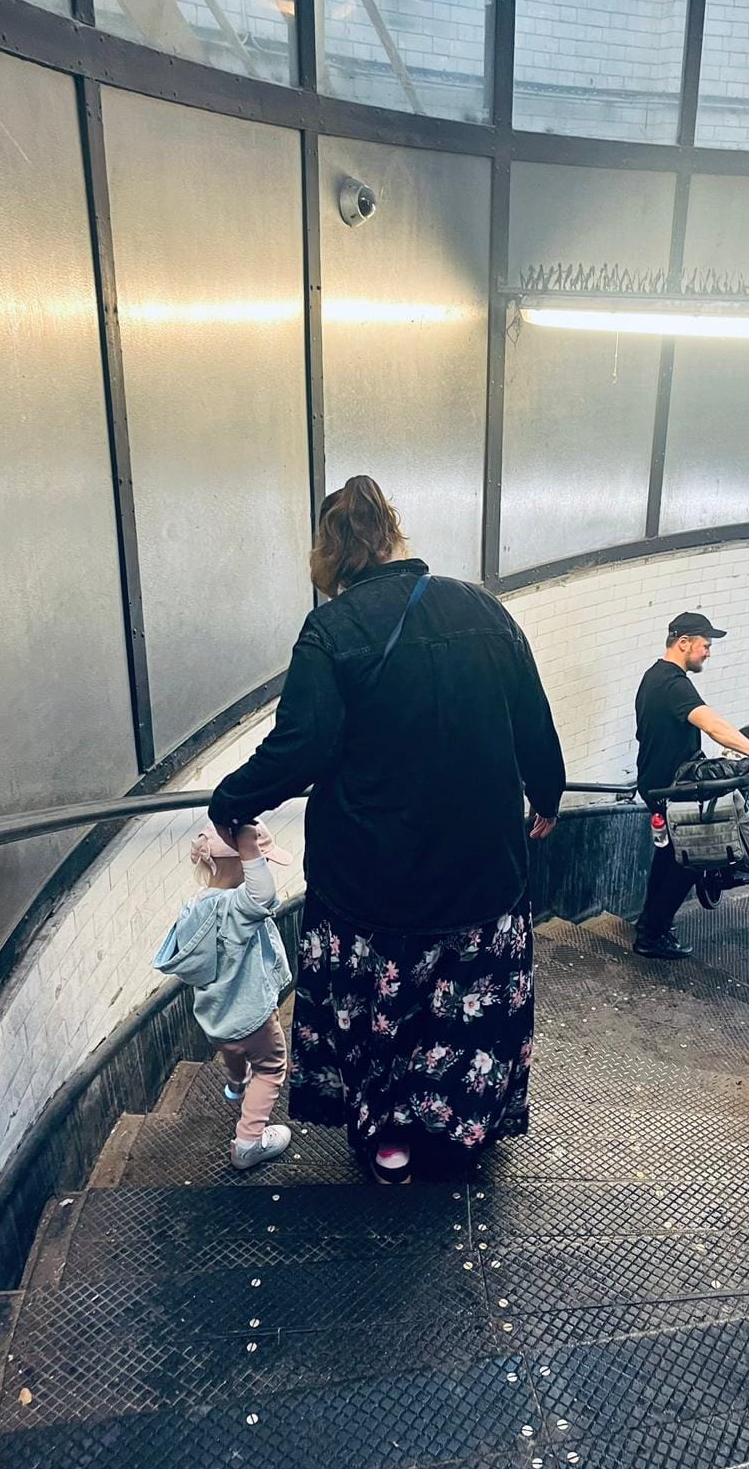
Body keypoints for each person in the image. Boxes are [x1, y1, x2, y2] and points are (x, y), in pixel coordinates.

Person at [208, 475, 565, 1184]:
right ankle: (464, 1131)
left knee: (385, 1009)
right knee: (463, 1013)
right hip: (480, 869)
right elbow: (535, 724)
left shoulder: (332, 630)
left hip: (373, 879)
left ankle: (392, 1143)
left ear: (330, 555)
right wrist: (547, 798)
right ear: (395, 535)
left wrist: (232, 801)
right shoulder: (485, 611)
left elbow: (302, 746)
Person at [633, 611, 749, 960]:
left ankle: (650, 925)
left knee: (668, 858)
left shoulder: (651, 677)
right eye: (705, 645)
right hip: (674, 790)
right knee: (691, 859)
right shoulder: (674, 684)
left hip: (656, 783)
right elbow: (713, 723)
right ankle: (651, 937)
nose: (708, 652)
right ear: (683, 643)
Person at [152, 821, 295, 1170]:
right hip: (253, 1017)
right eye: (257, 861)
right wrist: (249, 847)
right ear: (240, 862)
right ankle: (249, 1141)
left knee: (233, 1051)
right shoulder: (236, 909)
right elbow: (263, 896)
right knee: (272, 1068)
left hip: (215, 1017)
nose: (260, 868)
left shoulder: (195, 908)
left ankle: (235, 1085)